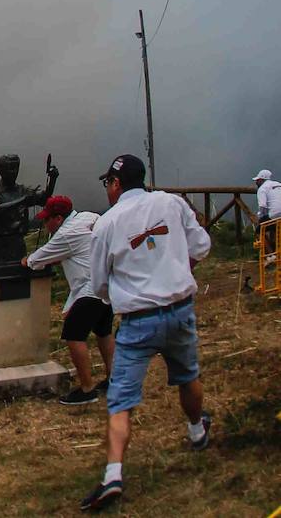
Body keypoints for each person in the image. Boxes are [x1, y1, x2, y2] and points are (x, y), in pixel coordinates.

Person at [78, 154, 212, 512]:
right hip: (180, 310)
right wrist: (176, 274)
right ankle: (197, 431)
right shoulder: (171, 202)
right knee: (188, 376)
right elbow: (201, 246)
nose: (107, 188)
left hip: (137, 321)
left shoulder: (106, 225)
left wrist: (127, 292)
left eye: (108, 182)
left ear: (117, 184)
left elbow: (99, 284)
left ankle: (113, 475)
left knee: (121, 401)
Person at [22, 195, 115, 405]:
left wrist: (26, 260)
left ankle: (87, 388)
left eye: (47, 219)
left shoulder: (65, 234)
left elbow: (37, 260)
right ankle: (113, 380)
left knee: (74, 335)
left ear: (58, 218)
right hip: (107, 285)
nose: (45, 224)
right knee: (104, 332)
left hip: (89, 290)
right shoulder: (89, 217)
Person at [253, 168, 279, 258]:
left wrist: (259, 219)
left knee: (259, 231)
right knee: (276, 229)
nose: (256, 182)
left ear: (261, 180)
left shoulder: (262, 189)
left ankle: (271, 256)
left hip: (275, 215)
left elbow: (263, 207)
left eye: (257, 180)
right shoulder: (278, 184)